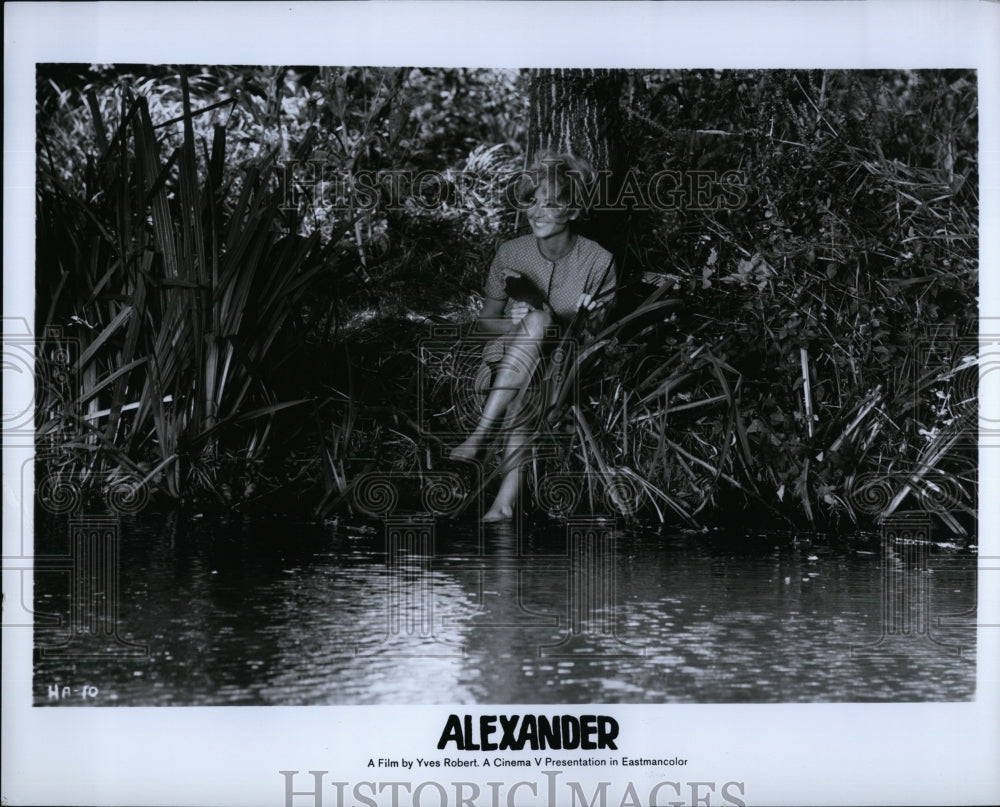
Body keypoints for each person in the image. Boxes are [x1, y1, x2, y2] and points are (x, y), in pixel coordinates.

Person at [449, 152, 617, 521]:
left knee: (540, 336)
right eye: (532, 200)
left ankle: (480, 441)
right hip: (500, 369)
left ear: (573, 211)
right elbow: (482, 326)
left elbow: (599, 339)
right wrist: (513, 324)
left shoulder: (598, 261)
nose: (537, 211)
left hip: (562, 373)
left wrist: (591, 318)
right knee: (535, 326)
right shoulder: (511, 252)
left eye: (552, 202)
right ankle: (504, 503)